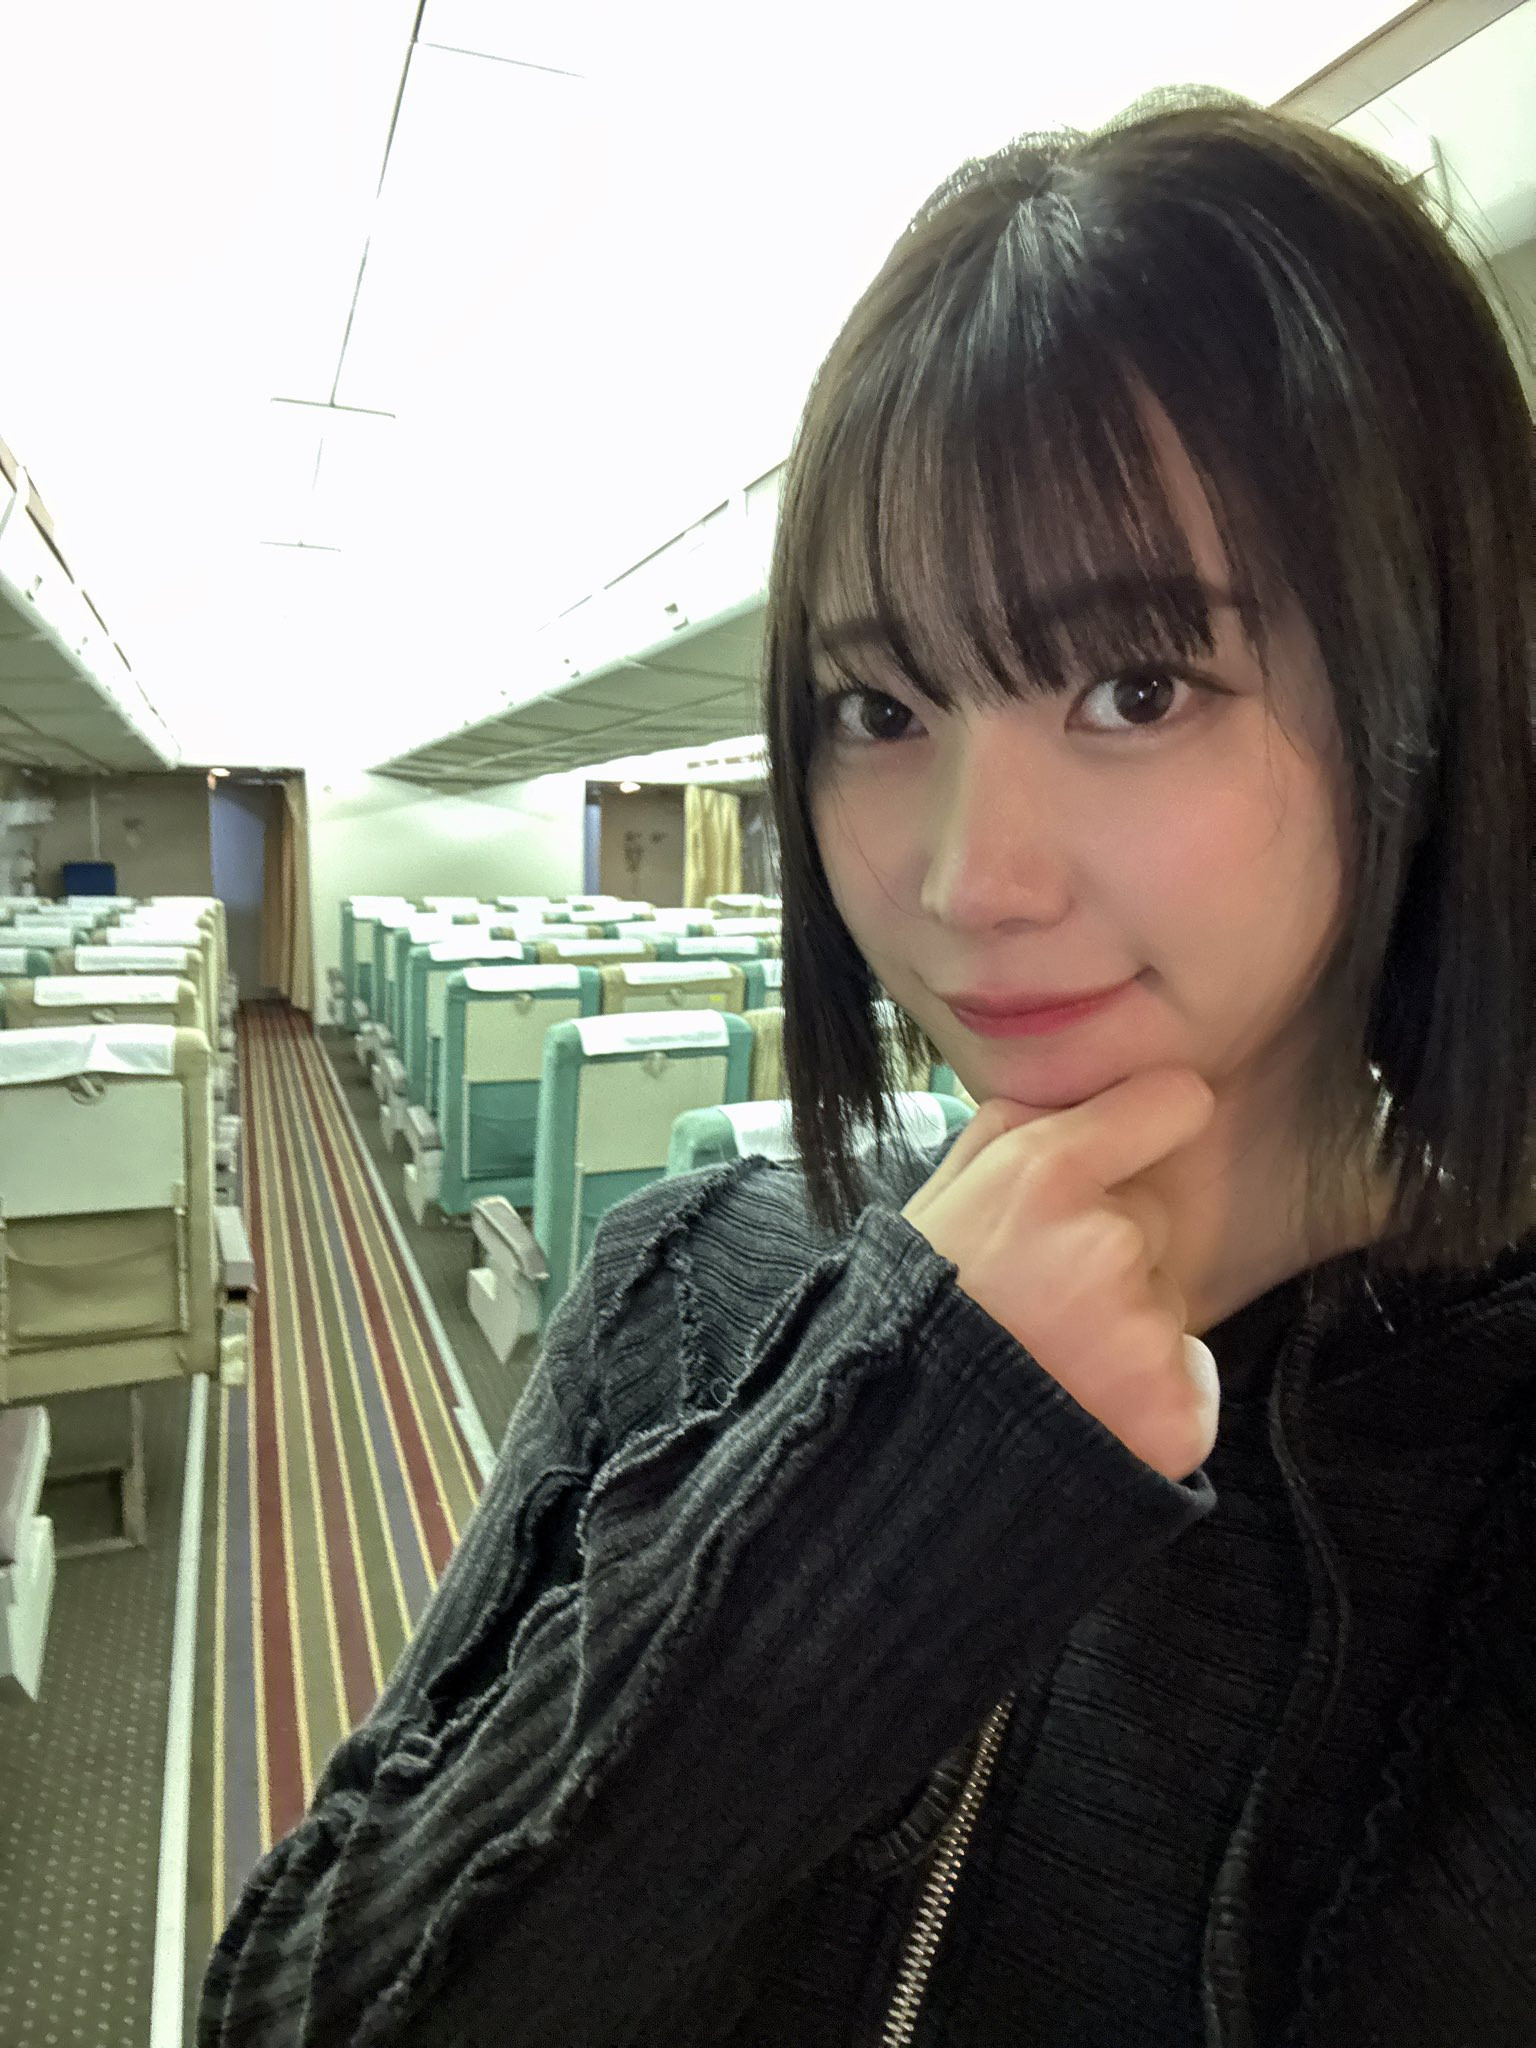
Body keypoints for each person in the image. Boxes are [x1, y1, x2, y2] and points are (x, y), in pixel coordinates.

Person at [198, 90, 1535, 2047]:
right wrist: (875, 1479)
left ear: (1430, 698)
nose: (965, 877)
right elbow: (295, 2009)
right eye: (878, 706)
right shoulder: (687, 1285)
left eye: (1137, 685)